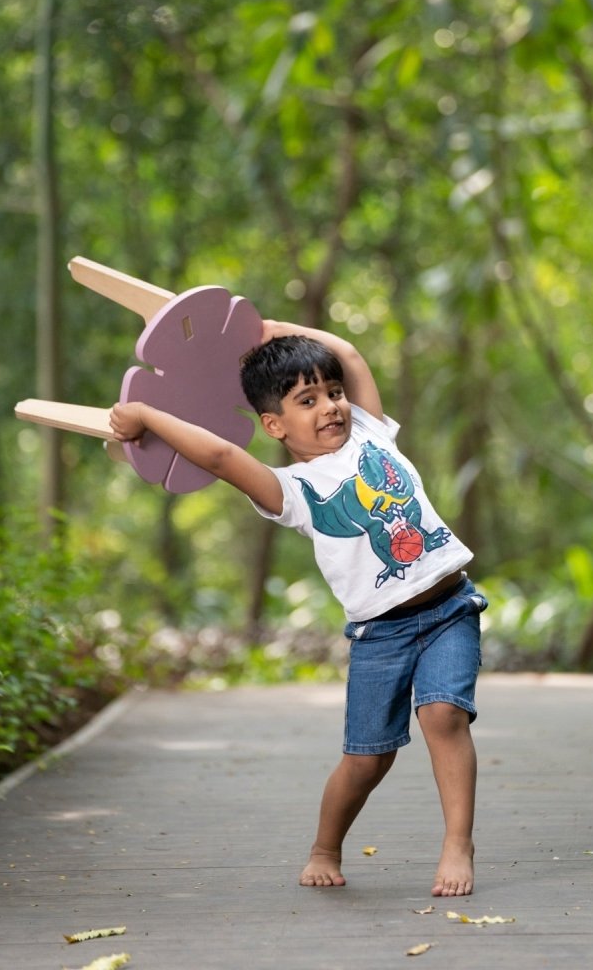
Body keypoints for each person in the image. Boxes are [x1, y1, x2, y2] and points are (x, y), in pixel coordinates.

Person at [109, 319, 487, 897]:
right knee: (368, 760)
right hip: (380, 634)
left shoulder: (369, 434)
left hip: (450, 608)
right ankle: (324, 846)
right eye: (307, 401)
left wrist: (269, 327)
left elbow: (353, 355)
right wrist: (143, 416)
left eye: (332, 393)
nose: (331, 406)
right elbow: (214, 454)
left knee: (444, 716)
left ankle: (457, 844)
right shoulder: (291, 491)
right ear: (274, 425)